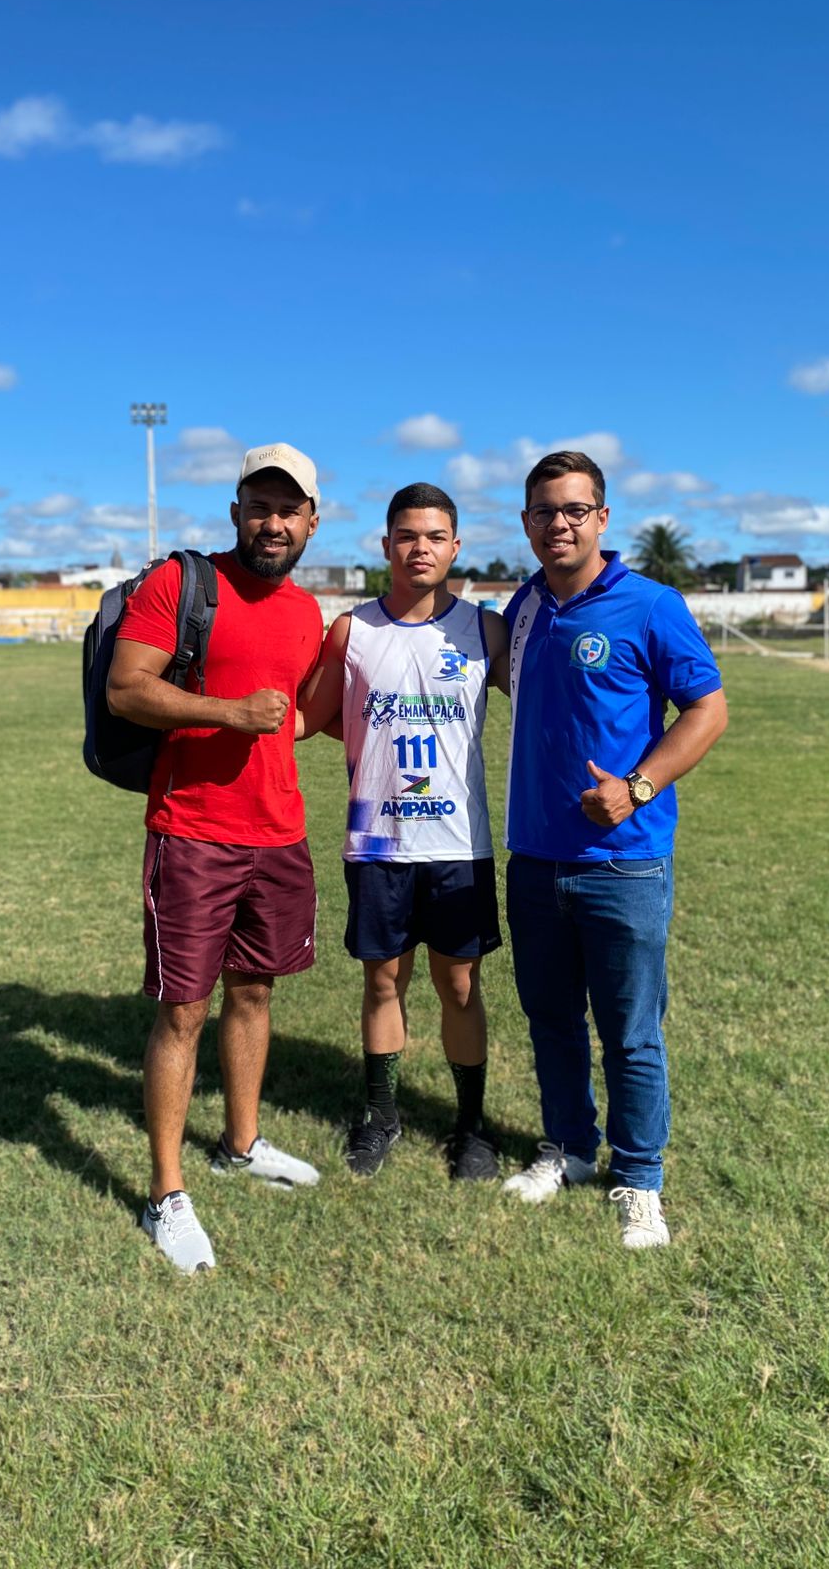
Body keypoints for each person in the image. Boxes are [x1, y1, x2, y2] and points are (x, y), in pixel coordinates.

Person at [107, 441, 325, 1274]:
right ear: (236, 512)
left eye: (288, 510)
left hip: (279, 832)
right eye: (259, 507)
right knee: (183, 1011)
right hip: (193, 831)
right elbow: (127, 687)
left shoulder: (306, 612)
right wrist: (228, 713)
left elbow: (297, 714)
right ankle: (166, 1194)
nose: (273, 523)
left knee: (255, 991)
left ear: (312, 522)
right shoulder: (182, 583)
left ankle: (241, 1142)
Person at [500, 450, 727, 1247]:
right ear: (526, 522)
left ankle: (639, 1178)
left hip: (624, 863)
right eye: (543, 512)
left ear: (601, 517)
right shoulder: (525, 606)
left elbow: (708, 710)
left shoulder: (652, 605)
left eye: (574, 510)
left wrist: (637, 786)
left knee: (631, 1033)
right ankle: (568, 1148)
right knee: (551, 1021)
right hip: (534, 859)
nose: (558, 524)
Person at [300, 483, 508, 1179]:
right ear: (386, 544)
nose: (421, 548)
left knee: (460, 986)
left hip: (460, 845)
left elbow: (549, 702)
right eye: (408, 536)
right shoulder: (352, 630)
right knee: (383, 981)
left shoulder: (485, 630)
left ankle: (471, 1127)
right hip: (378, 841)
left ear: (456, 547)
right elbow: (306, 718)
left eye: (435, 536)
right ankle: (381, 1115)